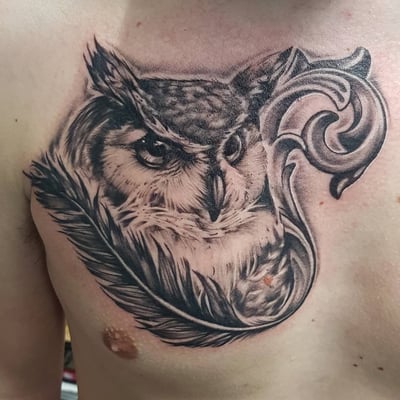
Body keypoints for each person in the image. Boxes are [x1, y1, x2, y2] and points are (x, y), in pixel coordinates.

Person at [1, 1, 399, 399]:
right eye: (157, 152)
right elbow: (14, 384)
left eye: (234, 149)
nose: (215, 189)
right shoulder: (26, 49)